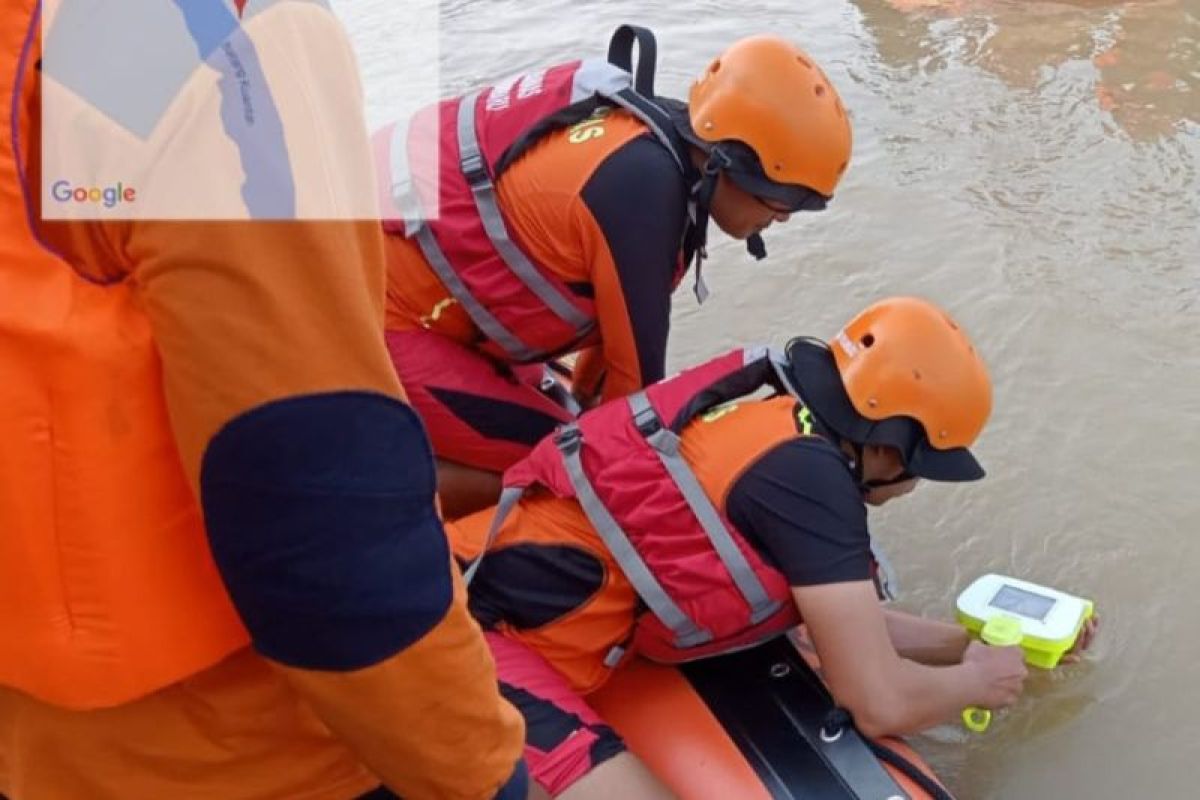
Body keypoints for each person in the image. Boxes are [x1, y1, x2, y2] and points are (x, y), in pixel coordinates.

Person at [0, 2, 529, 798]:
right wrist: (479, 772)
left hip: (41, 727)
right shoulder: (189, 32)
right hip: (232, 751)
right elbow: (314, 499)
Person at [444, 296, 1098, 798]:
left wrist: (965, 644)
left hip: (471, 587)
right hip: (463, 636)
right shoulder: (811, 488)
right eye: (926, 464)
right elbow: (878, 703)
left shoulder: (783, 433)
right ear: (887, 448)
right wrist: (976, 685)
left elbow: (847, 624)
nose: (920, 483)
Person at [374, 26, 854, 517]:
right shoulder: (644, 195)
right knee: (566, 471)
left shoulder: (654, 144)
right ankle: (360, 508)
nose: (785, 217)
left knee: (574, 432)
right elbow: (635, 410)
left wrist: (579, 405)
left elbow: (608, 354)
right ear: (729, 163)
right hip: (379, 313)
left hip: (428, 291)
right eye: (784, 199)